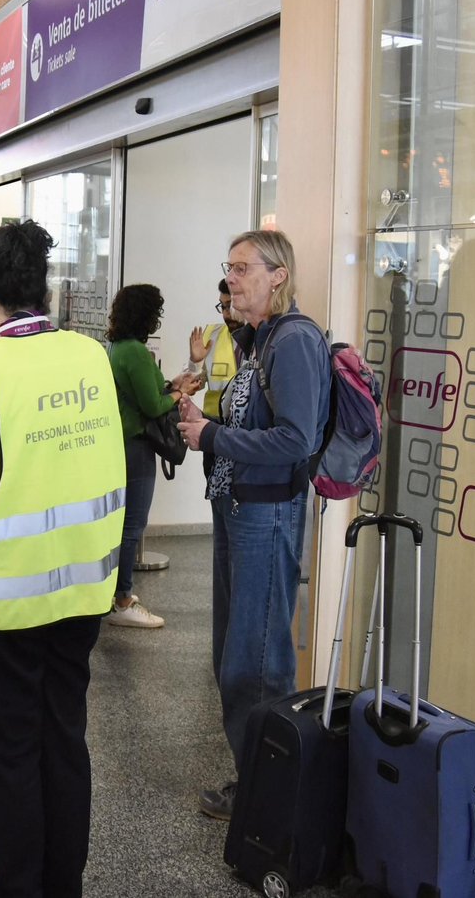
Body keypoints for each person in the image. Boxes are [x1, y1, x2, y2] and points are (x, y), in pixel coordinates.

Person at [0, 220, 124, 898]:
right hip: (80, 592)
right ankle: (62, 884)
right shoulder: (90, 355)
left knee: (8, 755)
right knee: (63, 740)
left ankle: (19, 887)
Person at [176, 230, 330, 823]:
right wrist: (202, 420)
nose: (231, 279)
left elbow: (296, 440)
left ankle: (272, 796)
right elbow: (254, 418)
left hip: (265, 514)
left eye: (242, 269)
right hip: (237, 507)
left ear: (278, 276)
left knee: (258, 661)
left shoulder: (292, 341)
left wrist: (211, 435)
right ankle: (259, 777)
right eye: (230, 268)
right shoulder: (257, 339)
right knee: (232, 654)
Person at [105, 284, 203, 630]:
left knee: (121, 524)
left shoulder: (117, 346)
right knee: (133, 525)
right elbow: (153, 405)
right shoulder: (135, 351)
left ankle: (113, 594)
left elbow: (146, 391)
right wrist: (180, 393)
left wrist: (173, 385)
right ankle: (122, 599)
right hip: (136, 445)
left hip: (120, 442)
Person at [189, 278, 244, 416]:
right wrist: (195, 362)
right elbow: (191, 385)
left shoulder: (264, 339)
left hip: (249, 429)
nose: (226, 314)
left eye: (230, 306)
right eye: (222, 306)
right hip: (215, 427)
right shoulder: (211, 337)